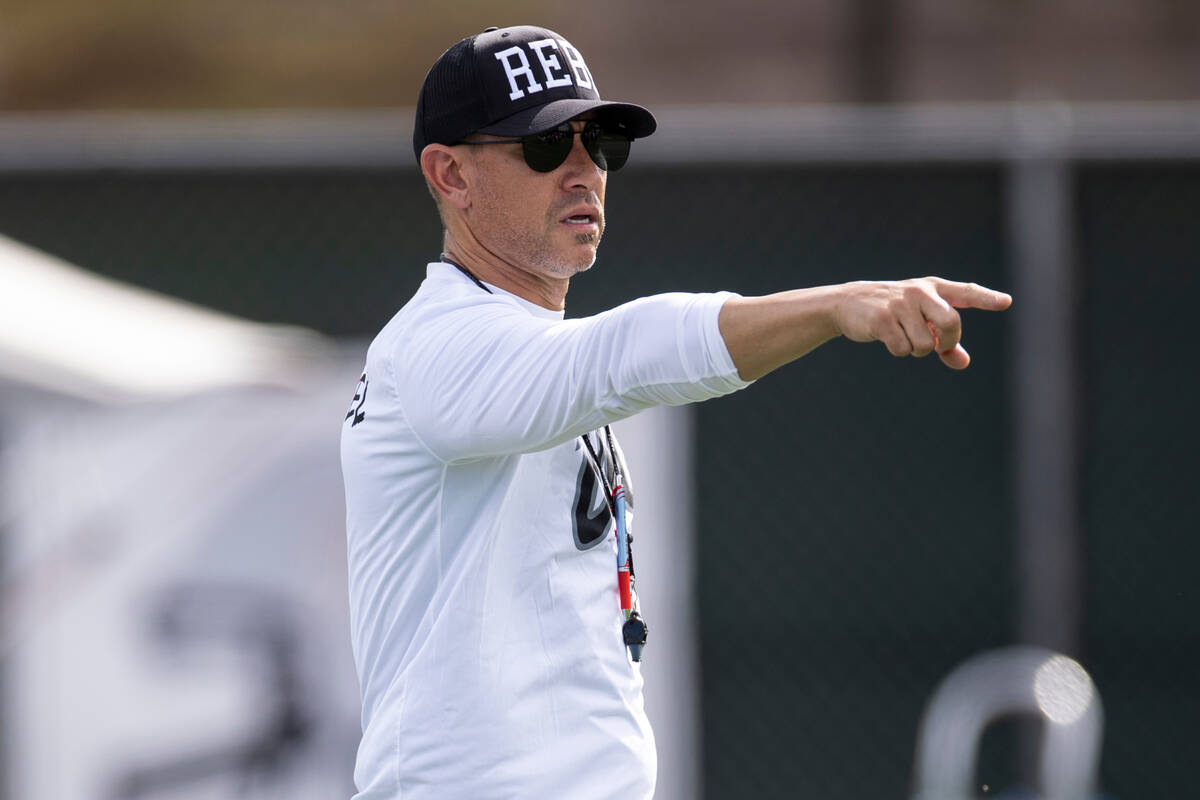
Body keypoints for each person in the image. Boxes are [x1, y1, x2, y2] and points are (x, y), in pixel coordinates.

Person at [339, 24, 1012, 800]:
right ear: (449, 174)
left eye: (602, 143)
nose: (583, 169)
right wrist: (839, 305)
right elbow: (625, 352)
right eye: (545, 144)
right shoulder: (434, 347)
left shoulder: (510, 343)